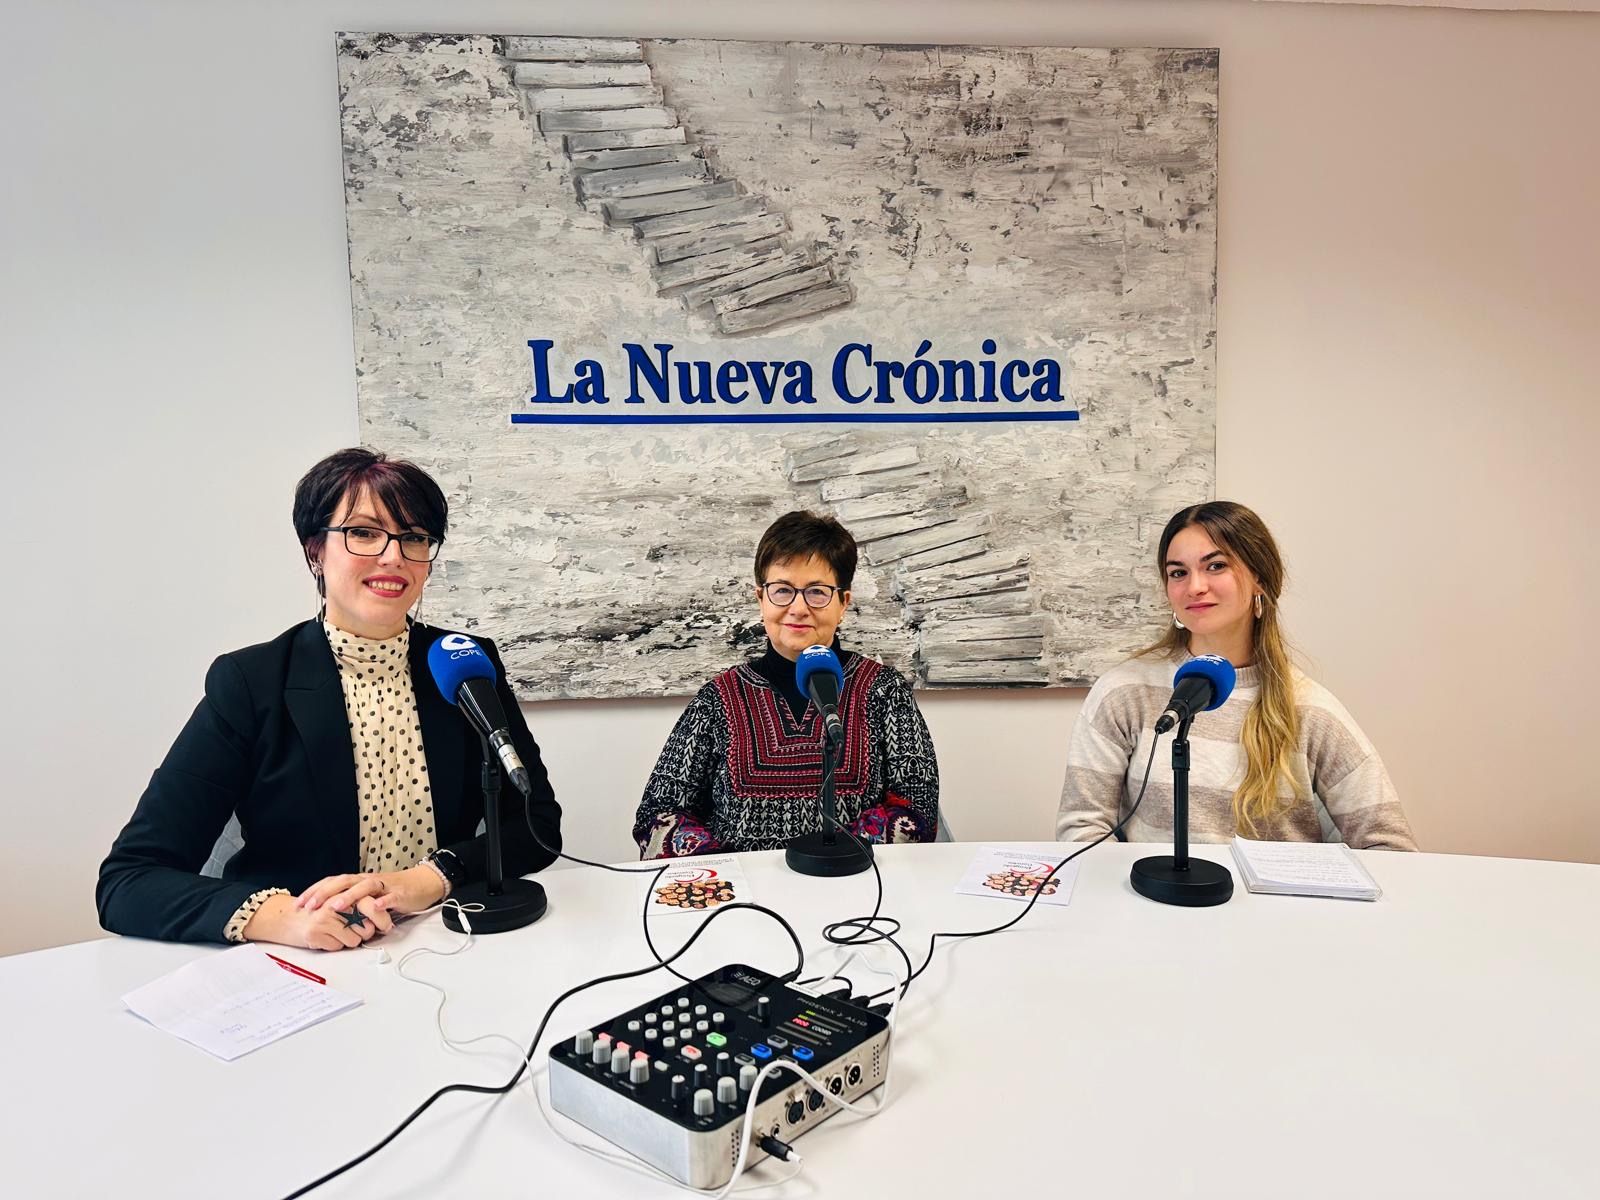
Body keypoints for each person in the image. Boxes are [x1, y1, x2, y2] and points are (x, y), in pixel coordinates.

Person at [96, 449, 563, 947]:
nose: (393, 556)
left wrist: (426, 879)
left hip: (441, 944)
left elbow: (536, 825)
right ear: (315, 548)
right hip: (304, 964)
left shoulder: (462, 663)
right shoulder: (251, 681)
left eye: (414, 537)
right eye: (363, 532)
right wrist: (278, 916)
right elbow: (128, 880)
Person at [1056, 500, 1415, 850]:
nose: (1194, 586)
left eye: (1215, 566)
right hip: (1153, 906)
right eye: (1178, 572)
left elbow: (1389, 846)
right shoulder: (1124, 692)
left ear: (1259, 578)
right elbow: (1082, 830)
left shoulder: (1310, 708)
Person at [633, 511, 939, 857]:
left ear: (843, 603)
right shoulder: (718, 699)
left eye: (817, 592)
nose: (798, 608)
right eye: (782, 590)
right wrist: (728, 873)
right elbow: (657, 814)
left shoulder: (884, 691)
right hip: (743, 902)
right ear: (760, 598)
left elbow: (918, 807)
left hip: (857, 888)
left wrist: (830, 858)